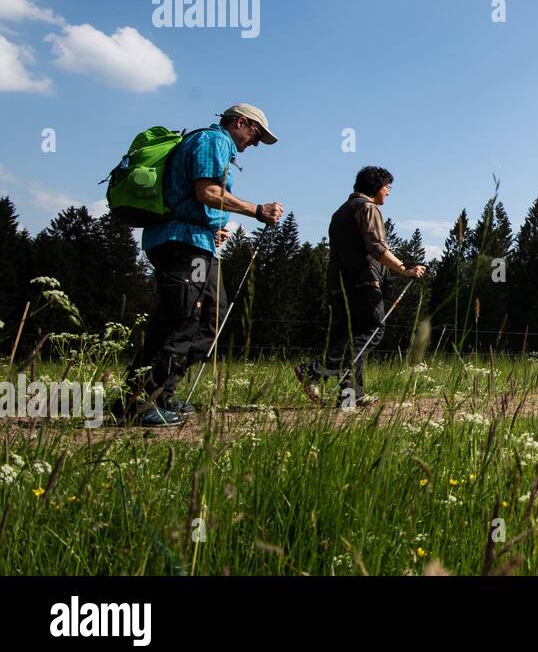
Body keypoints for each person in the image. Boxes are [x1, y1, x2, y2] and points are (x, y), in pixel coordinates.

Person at [120, 104, 284, 426]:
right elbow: (208, 192)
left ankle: (164, 391)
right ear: (241, 123)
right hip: (184, 244)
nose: (254, 144)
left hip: (198, 243)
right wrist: (257, 210)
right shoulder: (214, 141)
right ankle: (137, 402)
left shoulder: (214, 144)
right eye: (256, 135)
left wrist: (214, 227)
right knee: (182, 317)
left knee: (212, 315)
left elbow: (198, 198)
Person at [295, 166, 425, 409]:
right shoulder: (368, 208)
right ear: (376, 187)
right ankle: (317, 370)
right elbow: (376, 248)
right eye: (387, 187)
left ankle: (349, 397)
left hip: (338, 283)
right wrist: (404, 268)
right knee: (372, 330)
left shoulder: (339, 212)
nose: (388, 192)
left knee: (350, 335)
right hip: (362, 281)